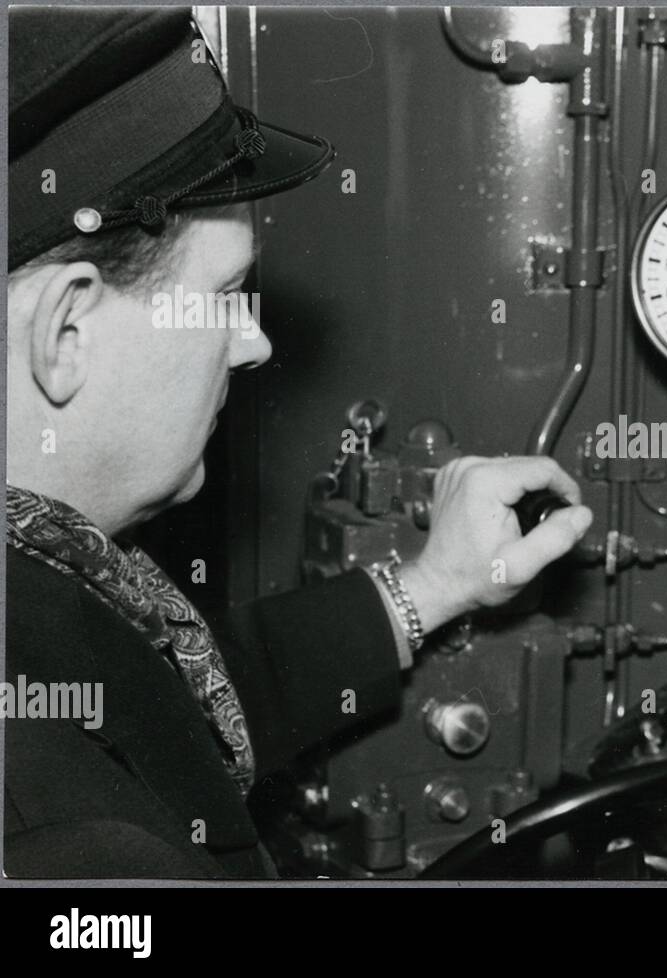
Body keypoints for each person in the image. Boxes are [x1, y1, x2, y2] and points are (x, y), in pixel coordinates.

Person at [4, 7, 593, 877]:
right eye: (227, 295)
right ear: (67, 333)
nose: (254, 343)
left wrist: (433, 585)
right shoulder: (69, 846)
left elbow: (159, 703)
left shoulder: (42, 586)